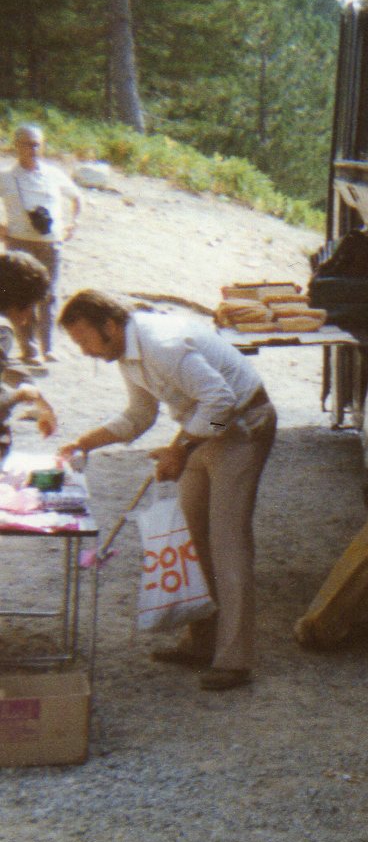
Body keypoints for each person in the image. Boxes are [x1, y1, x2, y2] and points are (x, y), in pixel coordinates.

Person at [56, 290, 276, 691]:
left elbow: (222, 401)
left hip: (243, 423)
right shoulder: (126, 351)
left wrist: (180, 449)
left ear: (109, 325)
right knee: (194, 538)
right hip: (204, 426)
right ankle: (200, 640)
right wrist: (85, 442)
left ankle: (234, 659)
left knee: (228, 541)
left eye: (84, 339)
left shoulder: (160, 343)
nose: (85, 351)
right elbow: (140, 415)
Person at [0, 124, 82, 368]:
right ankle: (29, 349)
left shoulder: (54, 174)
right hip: (19, 242)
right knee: (19, 297)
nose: (32, 149)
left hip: (50, 243)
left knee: (49, 295)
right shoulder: (5, 176)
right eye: (27, 143)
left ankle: (48, 347)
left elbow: (77, 197)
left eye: (36, 144)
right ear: (16, 146)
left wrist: (74, 223)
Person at [0, 252, 58, 453]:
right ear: (19, 303)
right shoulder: (2, 330)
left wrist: (35, 392)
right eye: (30, 307)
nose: (26, 319)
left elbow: (4, 363)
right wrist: (20, 395)